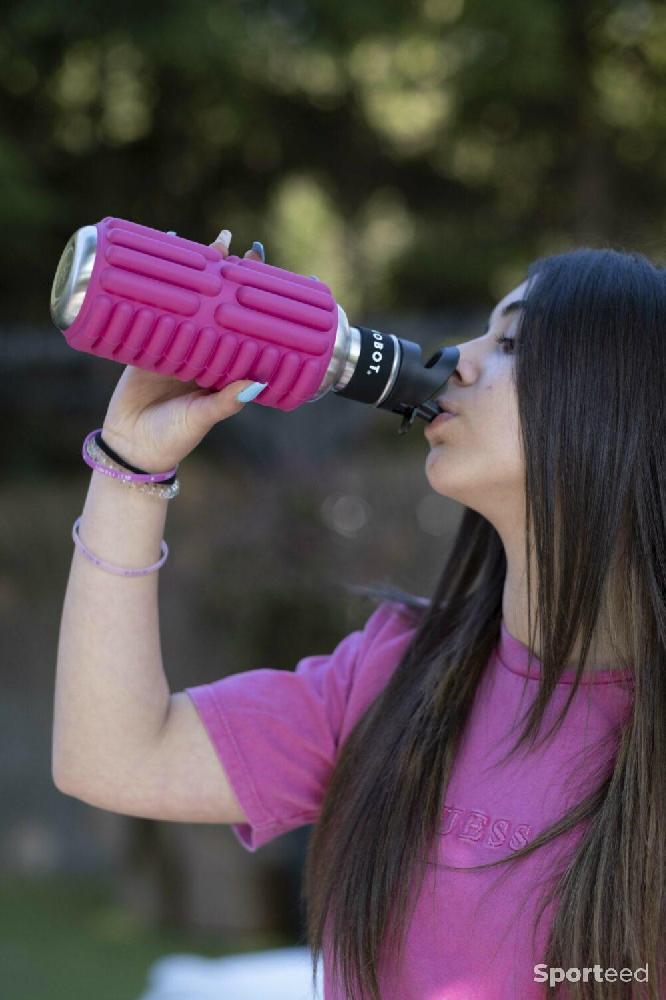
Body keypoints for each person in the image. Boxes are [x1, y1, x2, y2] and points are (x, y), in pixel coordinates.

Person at [52, 236, 665, 1000]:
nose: (457, 359)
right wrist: (131, 467)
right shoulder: (393, 675)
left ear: (623, 409)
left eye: (510, 343)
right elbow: (113, 758)